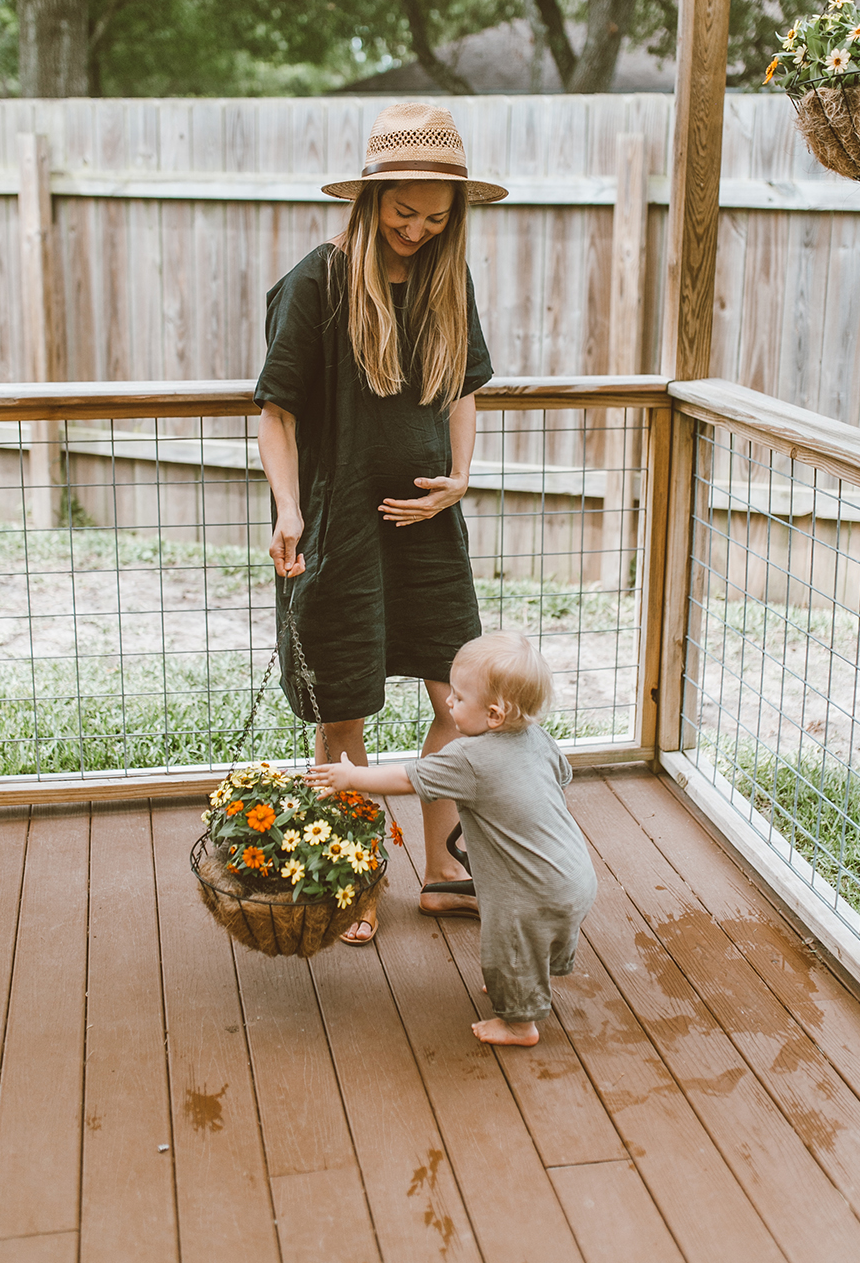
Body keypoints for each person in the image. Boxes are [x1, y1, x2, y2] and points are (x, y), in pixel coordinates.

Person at [255, 102, 508, 945]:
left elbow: (463, 390)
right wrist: (290, 510)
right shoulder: (317, 283)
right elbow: (276, 413)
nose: (417, 229)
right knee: (346, 708)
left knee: (458, 696)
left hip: (429, 529)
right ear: (369, 199)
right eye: (403, 212)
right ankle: (357, 878)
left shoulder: (447, 280)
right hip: (342, 530)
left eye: (436, 218)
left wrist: (459, 482)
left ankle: (442, 869)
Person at [307, 632, 598, 1046]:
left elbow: (406, 778)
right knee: (542, 931)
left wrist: (350, 777)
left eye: (459, 698)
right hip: (574, 873)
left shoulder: (471, 758)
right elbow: (561, 777)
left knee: (508, 942)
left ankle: (519, 1023)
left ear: (494, 714)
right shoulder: (537, 738)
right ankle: (534, 977)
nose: (448, 702)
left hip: (529, 889)